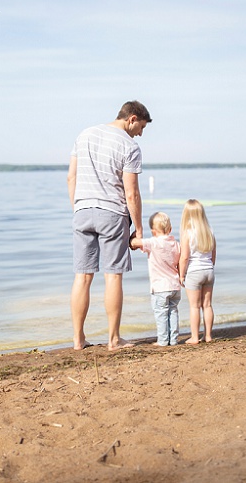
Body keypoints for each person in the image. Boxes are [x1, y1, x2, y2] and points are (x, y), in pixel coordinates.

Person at [68, 100, 151, 351]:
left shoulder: (85, 134)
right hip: (112, 213)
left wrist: (78, 208)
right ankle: (113, 340)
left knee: (82, 277)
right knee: (113, 276)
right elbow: (132, 193)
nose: (141, 134)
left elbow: (71, 176)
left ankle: (78, 339)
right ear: (132, 118)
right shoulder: (129, 146)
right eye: (142, 128)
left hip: (82, 211)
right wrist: (138, 228)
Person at [131, 212, 182, 346]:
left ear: (153, 231)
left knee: (161, 314)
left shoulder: (153, 242)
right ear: (170, 229)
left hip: (160, 288)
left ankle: (163, 340)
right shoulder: (176, 244)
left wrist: (132, 238)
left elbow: (135, 243)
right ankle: (174, 339)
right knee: (173, 312)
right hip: (175, 286)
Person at [179, 199, 217, 344]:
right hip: (209, 270)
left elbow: (184, 257)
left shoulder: (187, 233)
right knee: (207, 305)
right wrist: (210, 266)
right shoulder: (209, 231)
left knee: (194, 306)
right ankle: (208, 336)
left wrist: (182, 274)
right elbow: (214, 253)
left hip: (194, 272)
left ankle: (195, 337)